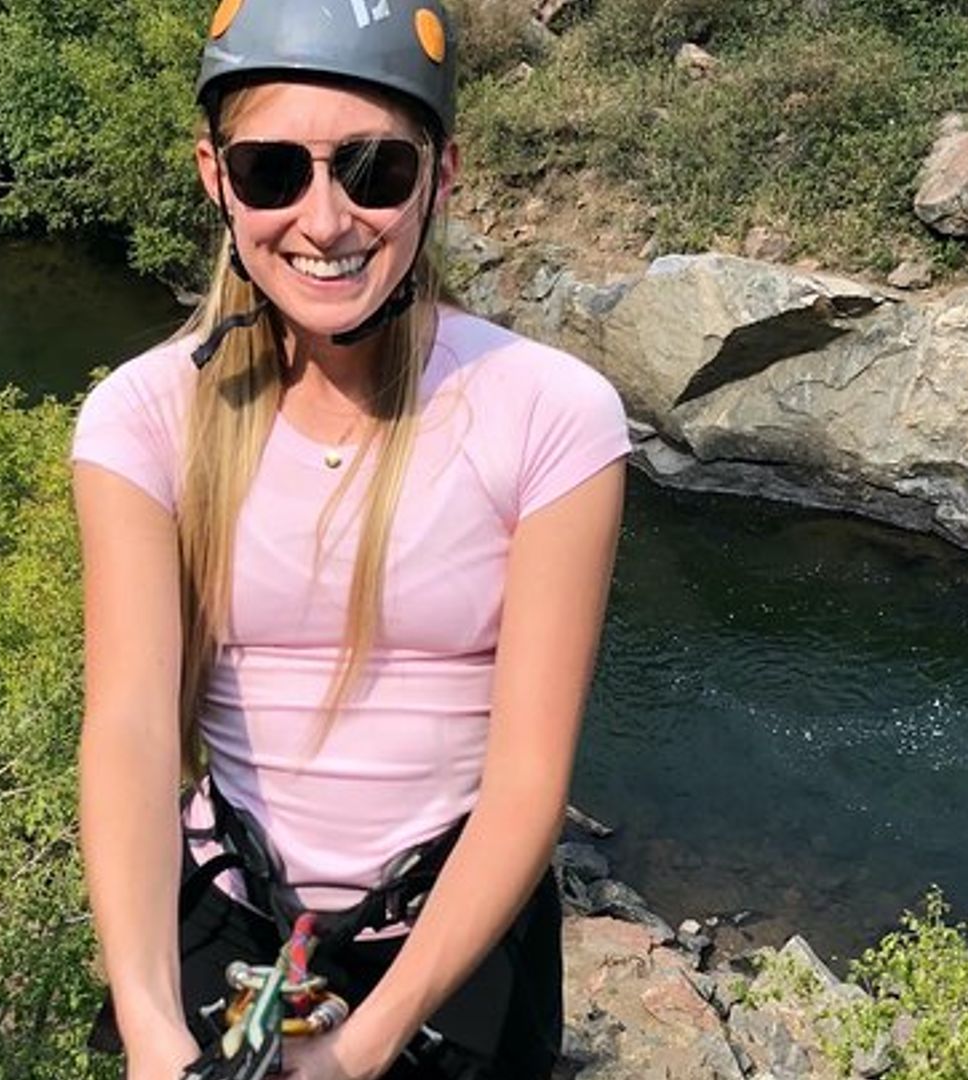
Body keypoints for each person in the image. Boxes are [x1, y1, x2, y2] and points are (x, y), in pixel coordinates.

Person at [71, 2, 628, 1077]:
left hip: (453, 938)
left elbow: (527, 776)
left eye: (374, 170)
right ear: (216, 177)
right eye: (273, 171)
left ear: (441, 175)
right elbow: (132, 727)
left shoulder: (550, 415)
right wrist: (148, 1021)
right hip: (229, 917)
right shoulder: (144, 420)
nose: (324, 222)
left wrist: (362, 1047)